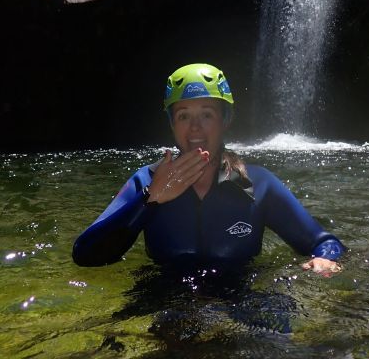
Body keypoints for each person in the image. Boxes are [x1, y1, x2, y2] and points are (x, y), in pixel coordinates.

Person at [72, 63, 344, 275]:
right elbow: (85, 256)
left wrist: (325, 259)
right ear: (172, 125)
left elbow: (324, 242)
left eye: (206, 114)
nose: (195, 127)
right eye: (183, 116)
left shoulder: (258, 184)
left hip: (240, 295)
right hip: (166, 297)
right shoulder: (146, 180)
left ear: (225, 120)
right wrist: (150, 199)